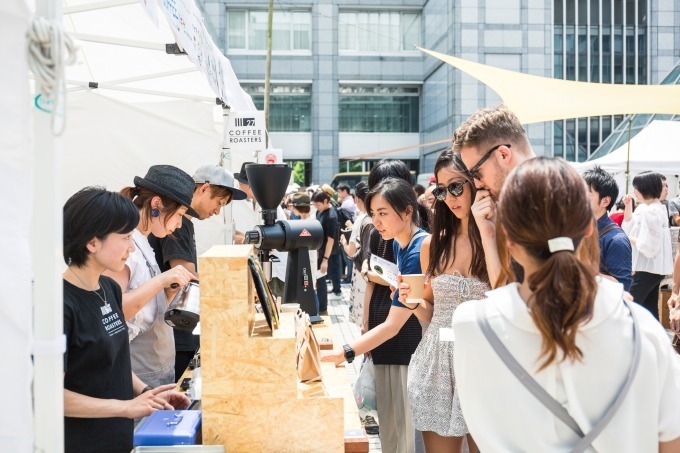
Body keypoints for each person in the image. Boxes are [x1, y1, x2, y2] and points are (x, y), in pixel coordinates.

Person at [452, 157, 680, 452]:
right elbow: (670, 443)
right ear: (588, 227)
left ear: (507, 237)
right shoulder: (643, 330)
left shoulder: (471, 325)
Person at [63, 187, 189, 453]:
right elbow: (49, 395)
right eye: (125, 237)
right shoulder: (59, 305)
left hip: (118, 439)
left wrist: (146, 393)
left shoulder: (107, 289)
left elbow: (114, 359)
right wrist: (124, 407)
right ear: (92, 242)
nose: (131, 247)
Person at [323, 176, 429, 453]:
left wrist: (346, 352)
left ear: (408, 211)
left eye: (383, 213)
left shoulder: (419, 247)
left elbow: (394, 325)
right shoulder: (399, 243)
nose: (376, 221)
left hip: (432, 349)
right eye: (373, 214)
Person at [403, 149, 490, 453]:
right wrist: (412, 303)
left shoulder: (499, 239)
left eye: (456, 186)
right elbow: (431, 310)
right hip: (437, 363)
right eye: (441, 190)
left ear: (474, 183)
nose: (450, 197)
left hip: (485, 362)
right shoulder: (433, 243)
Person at [148, 164, 247, 381]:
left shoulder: (184, 223)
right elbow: (186, 278)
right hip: (173, 329)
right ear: (203, 189)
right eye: (219, 203)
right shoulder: (179, 224)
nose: (217, 211)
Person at [105, 165, 196, 387]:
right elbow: (114, 310)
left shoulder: (143, 241)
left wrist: (169, 290)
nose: (179, 224)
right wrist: (161, 280)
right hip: (136, 375)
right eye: (180, 214)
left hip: (158, 369)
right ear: (156, 204)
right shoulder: (126, 244)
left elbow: (147, 307)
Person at [622, 172, 674, 320]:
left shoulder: (651, 210)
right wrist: (628, 206)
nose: (634, 191)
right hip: (651, 268)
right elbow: (630, 224)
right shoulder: (652, 208)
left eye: (636, 188)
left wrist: (631, 239)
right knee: (648, 309)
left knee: (629, 306)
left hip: (647, 268)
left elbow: (649, 247)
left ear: (644, 188)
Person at [582, 166, 633, 290]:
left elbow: (622, 286)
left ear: (605, 201)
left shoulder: (616, 240)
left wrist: (583, 271)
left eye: (585, 193)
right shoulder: (576, 229)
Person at [340, 181, 373, 327]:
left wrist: (343, 242)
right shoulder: (378, 216)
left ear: (357, 199)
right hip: (378, 272)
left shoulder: (362, 219)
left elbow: (351, 252)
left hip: (362, 273)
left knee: (364, 321)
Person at [312, 190, 340, 315]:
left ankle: (323, 309)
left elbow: (331, 240)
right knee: (319, 280)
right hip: (319, 252)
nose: (316, 207)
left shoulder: (331, 216)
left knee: (321, 281)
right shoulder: (320, 211)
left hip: (326, 254)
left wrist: (325, 260)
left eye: (318, 204)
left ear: (325, 201)